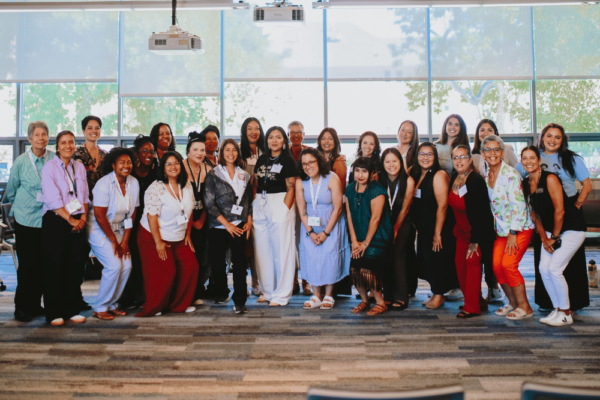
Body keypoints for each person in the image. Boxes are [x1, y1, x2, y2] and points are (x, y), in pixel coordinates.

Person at [517, 123, 591, 312]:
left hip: (567, 209)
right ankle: (548, 301)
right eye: (549, 136)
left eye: (557, 137)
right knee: (546, 260)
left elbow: (587, 185)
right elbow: (516, 177)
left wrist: (575, 206)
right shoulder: (533, 156)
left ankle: (571, 303)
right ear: (542, 138)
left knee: (569, 261)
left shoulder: (571, 158)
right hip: (543, 213)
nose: (553, 140)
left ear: (562, 140)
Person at [135, 151, 198, 317]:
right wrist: (158, 242)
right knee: (166, 271)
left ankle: (178, 305)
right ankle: (156, 306)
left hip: (178, 235)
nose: (173, 167)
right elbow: (151, 216)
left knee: (191, 265)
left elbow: (189, 211)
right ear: (163, 169)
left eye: (176, 162)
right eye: (168, 164)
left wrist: (188, 234)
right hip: (153, 236)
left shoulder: (187, 185)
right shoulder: (155, 188)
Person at [481, 135, 535, 320]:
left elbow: (518, 205)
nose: (492, 153)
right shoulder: (488, 174)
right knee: (496, 266)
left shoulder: (510, 174)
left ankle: (525, 307)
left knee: (509, 265)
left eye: (496, 149)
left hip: (519, 227)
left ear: (502, 153)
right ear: (483, 154)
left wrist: (513, 232)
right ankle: (512, 303)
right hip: (501, 229)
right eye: (488, 149)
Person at [6, 121, 55, 322]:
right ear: (29, 138)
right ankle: (22, 307)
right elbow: (11, 191)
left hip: (48, 218)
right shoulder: (20, 162)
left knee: (44, 264)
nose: (41, 138)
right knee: (28, 264)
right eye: (37, 135)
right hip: (25, 218)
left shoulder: (53, 158)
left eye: (44, 134)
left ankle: (36, 304)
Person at [41, 130, 90, 326]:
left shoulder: (79, 167)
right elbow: (53, 199)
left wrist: (83, 217)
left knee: (75, 266)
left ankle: (72, 309)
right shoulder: (49, 167)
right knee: (55, 266)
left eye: (71, 142)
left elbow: (84, 195)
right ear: (57, 146)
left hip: (78, 218)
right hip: (56, 220)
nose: (68, 146)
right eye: (63, 142)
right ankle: (54, 312)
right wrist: (71, 220)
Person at [87, 148, 139, 320]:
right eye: (122, 162)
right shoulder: (104, 184)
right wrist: (113, 241)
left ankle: (112, 304)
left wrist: (125, 241)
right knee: (114, 266)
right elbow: (100, 216)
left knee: (127, 266)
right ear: (113, 165)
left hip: (121, 230)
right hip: (100, 230)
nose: (126, 165)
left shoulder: (133, 183)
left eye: (129, 162)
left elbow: (132, 214)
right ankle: (100, 306)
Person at [296, 148, 350, 310]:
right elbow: (302, 210)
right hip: (310, 225)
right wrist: (310, 232)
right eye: (304, 164)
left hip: (331, 224)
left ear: (319, 161)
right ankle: (316, 295)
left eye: (311, 162)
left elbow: (338, 208)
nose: (308, 166)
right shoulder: (301, 181)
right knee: (311, 256)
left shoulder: (332, 178)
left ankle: (328, 294)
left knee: (329, 257)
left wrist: (326, 233)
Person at [204, 139, 254, 313]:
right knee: (217, 263)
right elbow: (209, 203)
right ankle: (222, 292)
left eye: (234, 150)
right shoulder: (213, 174)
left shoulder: (244, 174)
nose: (231, 153)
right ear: (221, 153)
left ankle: (240, 301)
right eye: (227, 150)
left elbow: (247, 200)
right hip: (218, 226)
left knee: (240, 263)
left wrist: (248, 220)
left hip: (239, 224)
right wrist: (227, 225)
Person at [447, 145, 496, 318]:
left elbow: (482, 214)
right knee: (460, 269)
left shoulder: (475, 181)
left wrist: (475, 241)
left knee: (472, 266)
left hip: (477, 234)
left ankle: (472, 307)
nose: (459, 161)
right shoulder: (454, 177)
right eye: (455, 158)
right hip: (461, 233)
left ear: (469, 160)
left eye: (462, 157)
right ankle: (476, 300)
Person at [409, 142, 459, 309]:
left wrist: (437, 233)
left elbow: (443, 206)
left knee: (438, 260)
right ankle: (436, 293)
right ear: (417, 156)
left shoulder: (439, 175)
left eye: (429, 154)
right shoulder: (415, 174)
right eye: (422, 154)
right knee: (428, 260)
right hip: (424, 227)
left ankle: (439, 295)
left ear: (435, 157)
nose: (425, 157)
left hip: (439, 226)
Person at [253, 126, 298, 306]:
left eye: (278, 137)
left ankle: (281, 294)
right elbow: (256, 182)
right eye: (271, 137)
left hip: (280, 201)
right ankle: (267, 291)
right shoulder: (262, 159)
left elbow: (291, 187)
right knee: (262, 250)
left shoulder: (288, 160)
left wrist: (284, 209)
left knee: (282, 250)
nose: (274, 140)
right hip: (261, 202)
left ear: (284, 140)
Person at [468, 119, 510, 304]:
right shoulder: (474, 156)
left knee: (497, 254)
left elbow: (518, 172)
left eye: (489, 129)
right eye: (481, 130)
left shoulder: (506, 150)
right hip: (482, 210)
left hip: (502, 210)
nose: (485, 133)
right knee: (483, 251)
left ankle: (496, 289)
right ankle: (486, 288)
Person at [345, 157, 392, 316]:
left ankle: (380, 302)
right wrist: (354, 240)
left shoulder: (377, 190)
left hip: (377, 236)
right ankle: (364, 300)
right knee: (355, 268)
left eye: (364, 171)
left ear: (372, 174)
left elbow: (375, 218)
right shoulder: (350, 188)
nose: (360, 174)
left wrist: (365, 244)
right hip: (357, 236)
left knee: (368, 269)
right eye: (357, 170)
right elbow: (349, 215)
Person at [119, 135, 157, 310]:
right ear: (137, 154)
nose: (149, 154)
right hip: (127, 222)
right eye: (145, 151)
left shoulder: (156, 174)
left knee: (144, 259)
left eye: (151, 151)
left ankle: (143, 295)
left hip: (149, 222)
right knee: (128, 259)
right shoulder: (129, 174)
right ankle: (125, 297)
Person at [378, 148, 414, 310]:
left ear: (401, 162)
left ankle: (401, 297)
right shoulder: (378, 179)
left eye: (394, 161)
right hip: (383, 223)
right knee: (385, 257)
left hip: (403, 222)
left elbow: (405, 208)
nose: (391, 165)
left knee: (398, 255)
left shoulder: (409, 181)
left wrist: (395, 230)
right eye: (387, 161)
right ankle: (388, 295)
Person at [183, 132, 212, 306]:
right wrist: (190, 221)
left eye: (202, 150)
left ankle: (198, 289)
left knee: (203, 255)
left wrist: (202, 218)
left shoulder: (207, 168)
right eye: (195, 149)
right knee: (188, 255)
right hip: (184, 218)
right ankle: (186, 291)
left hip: (202, 217)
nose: (199, 153)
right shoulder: (179, 167)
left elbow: (210, 198)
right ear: (188, 151)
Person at [239, 117, 265, 296]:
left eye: (257, 128)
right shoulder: (238, 152)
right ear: (244, 131)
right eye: (250, 128)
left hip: (264, 202)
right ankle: (251, 283)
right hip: (244, 203)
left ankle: (262, 281)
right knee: (246, 245)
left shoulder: (267, 150)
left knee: (261, 244)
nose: (254, 132)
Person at [395, 120, 420, 296]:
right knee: (395, 248)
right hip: (391, 204)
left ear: (414, 136)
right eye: (402, 130)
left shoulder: (415, 155)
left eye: (409, 132)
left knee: (407, 248)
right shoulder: (391, 152)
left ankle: (409, 288)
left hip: (409, 205)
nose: (404, 133)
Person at [288, 120, 312, 296]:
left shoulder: (310, 152)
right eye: (292, 132)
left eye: (299, 132)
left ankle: (307, 281)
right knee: (291, 243)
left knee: (306, 243)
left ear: (304, 134)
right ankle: (294, 280)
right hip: (288, 203)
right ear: (288, 135)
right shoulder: (282, 152)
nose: (296, 135)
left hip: (306, 202)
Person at [73, 115, 108, 199]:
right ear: (83, 131)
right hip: (81, 201)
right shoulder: (75, 154)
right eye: (89, 128)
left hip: (103, 201)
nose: (94, 131)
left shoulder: (106, 155)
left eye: (97, 128)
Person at [317, 127, 347, 193]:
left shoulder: (339, 161)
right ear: (319, 141)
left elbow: (340, 189)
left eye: (330, 139)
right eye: (323, 138)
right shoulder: (316, 159)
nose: (326, 141)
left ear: (335, 142)